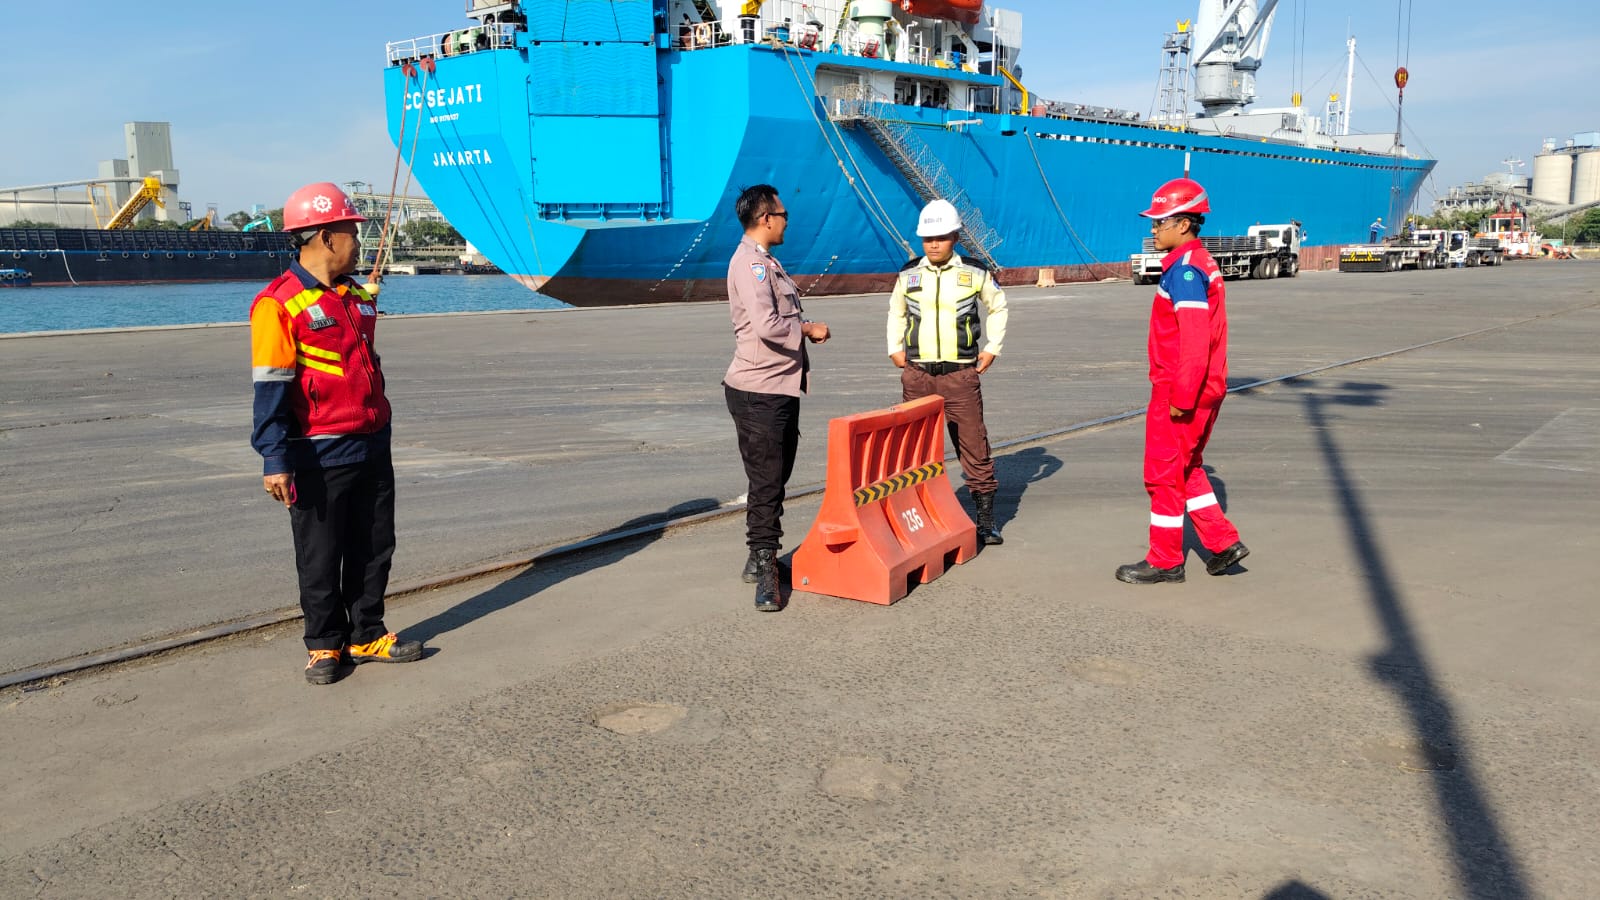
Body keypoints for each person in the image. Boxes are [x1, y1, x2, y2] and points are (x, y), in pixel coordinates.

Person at [250, 182, 423, 683]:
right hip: (317, 451)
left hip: (372, 441)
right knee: (320, 555)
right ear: (326, 237)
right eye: (352, 233)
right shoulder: (278, 304)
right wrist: (274, 458)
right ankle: (325, 645)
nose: (359, 242)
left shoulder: (354, 296)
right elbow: (271, 386)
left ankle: (367, 633)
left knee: (374, 547)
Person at [1116, 177, 1249, 585]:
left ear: (1185, 224)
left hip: (1181, 388)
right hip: (1204, 386)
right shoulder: (1198, 263)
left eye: (1160, 222)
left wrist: (1181, 396)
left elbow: (1194, 339)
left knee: (1162, 474)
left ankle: (1165, 560)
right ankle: (1223, 543)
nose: (1154, 229)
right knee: (1187, 467)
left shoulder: (1186, 271)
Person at [723, 184, 830, 612]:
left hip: (778, 387)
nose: (787, 220)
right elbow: (768, 325)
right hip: (758, 392)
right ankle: (767, 571)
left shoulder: (766, 261)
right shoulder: (751, 264)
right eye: (783, 214)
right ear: (766, 218)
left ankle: (758, 557)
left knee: (775, 476)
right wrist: (808, 329)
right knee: (767, 481)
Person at [886, 198, 1008, 545]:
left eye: (940, 237)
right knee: (914, 451)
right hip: (918, 376)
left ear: (955, 236)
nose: (934, 244)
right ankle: (917, 518)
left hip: (959, 377)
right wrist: (895, 348)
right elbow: (896, 311)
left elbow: (998, 306)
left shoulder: (974, 272)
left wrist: (992, 348)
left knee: (974, 446)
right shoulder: (908, 274)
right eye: (928, 238)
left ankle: (985, 520)